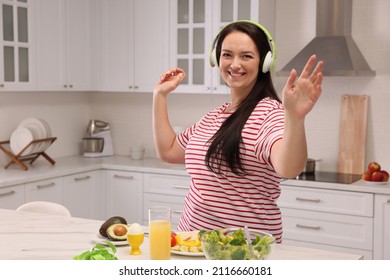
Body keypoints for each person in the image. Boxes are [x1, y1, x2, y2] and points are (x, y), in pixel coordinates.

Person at [152, 20, 323, 243]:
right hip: (190, 245)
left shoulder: (268, 112)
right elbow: (169, 151)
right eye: (227, 55)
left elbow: (289, 168)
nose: (234, 64)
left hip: (243, 252)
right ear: (216, 58)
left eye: (246, 56)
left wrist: (295, 117)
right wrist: (159, 96)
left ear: (265, 62)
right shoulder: (215, 116)